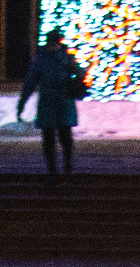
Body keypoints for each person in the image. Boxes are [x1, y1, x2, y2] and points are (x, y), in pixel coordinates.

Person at [16, 29, 87, 180]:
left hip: (50, 102)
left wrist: (22, 103)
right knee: (64, 137)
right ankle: (65, 170)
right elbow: (81, 73)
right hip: (62, 101)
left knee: (51, 139)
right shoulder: (65, 58)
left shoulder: (41, 59)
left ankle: (54, 171)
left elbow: (30, 82)